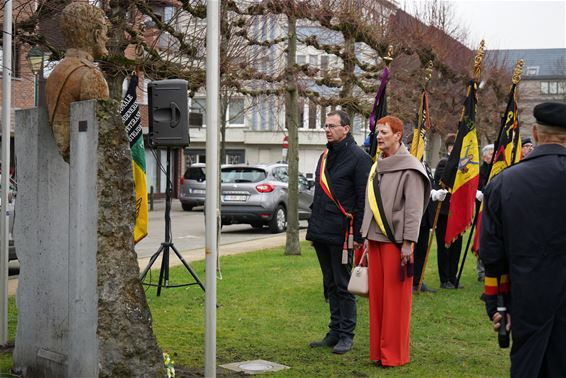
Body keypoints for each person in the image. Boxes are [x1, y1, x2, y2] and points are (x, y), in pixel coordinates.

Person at [480, 101, 566, 376]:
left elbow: (492, 254)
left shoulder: (503, 183)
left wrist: (497, 305)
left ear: (536, 134)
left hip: (526, 300)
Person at [360, 115, 431, 367]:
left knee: (396, 303)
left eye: (384, 132)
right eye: (377, 132)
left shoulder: (411, 167)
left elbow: (414, 209)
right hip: (376, 240)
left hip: (397, 243)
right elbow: (371, 204)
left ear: (398, 135)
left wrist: (409, 242)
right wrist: (366, 236)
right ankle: (378, 352)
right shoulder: (377, 165)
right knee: (378, 301)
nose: (378, 136)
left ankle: (394, 355)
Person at [307, 110, 372, 354]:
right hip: (323, 230)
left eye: (332, 126)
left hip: (344, 233)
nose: (327, 129)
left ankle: (347, 334)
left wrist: (358, 235)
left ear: (346, 129)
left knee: (345, 285)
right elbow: (320, 195)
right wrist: (314, 230)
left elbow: (362, 201)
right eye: (325, 125)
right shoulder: (324, 156)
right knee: (330, 284)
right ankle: (334, 331)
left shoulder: (359, 158)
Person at [46, 2, 110, 163]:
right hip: (83, 161)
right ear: (96, 34)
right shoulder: (91, 76)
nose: (106, 38)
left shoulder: (56, 72)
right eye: (105, 32)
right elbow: (103, 134)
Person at [434, 134, 464, 289]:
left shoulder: (463, 166)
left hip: (458, 213)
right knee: (444, 247)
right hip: (445, 214)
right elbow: (446, 181)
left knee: (456, 247)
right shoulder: (443, 164)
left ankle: (453, 276)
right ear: (450, 148)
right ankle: (444, 278)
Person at [475, 144, 494, 282]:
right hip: (482, 208)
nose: (493, 156)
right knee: (482, 239)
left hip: (495, 208)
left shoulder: (497, 169)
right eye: (491, 153)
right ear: (485, 156)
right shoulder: (480, 170)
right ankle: (481, 271)